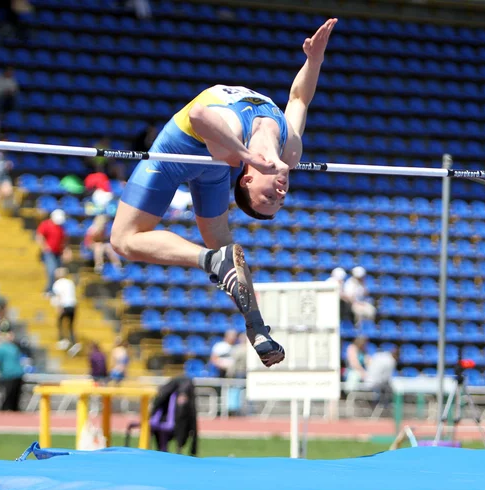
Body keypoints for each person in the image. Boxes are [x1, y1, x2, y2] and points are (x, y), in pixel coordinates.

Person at [110, 19, 337, 368]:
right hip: (189, 160)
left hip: (187, 159)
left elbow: (201, 115)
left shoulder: (234, 146)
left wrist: (246, 156)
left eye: (268, 200)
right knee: (134, 242)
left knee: (126, 240)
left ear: (246, 181)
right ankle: (247, 311)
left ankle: (255, 327)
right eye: (279, 200)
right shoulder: (290, 151)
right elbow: (298, 98)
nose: (280, 195)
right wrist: (314, 60)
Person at [36, 209, 72, 295]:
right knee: (52, 271)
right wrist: (45, 247)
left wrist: (66, 250)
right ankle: (49, 290)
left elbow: (65, 239)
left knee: (58, 272)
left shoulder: (62, 227)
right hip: (49, 252)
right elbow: (39, 236)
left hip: (58, 252)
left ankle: (55, 290)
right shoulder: (45, 224)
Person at [51, 267, 78, 352]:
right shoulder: (70, 282)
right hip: (73, 306)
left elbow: (59, 296)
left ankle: (62, 340)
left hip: (64, 305)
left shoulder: (57, 283)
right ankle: (73, 342)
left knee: (60, 323)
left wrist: (59, 307)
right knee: (70, 325)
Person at [364, 346, 399, 410]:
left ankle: (382, 404)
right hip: (375, 383)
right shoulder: (391, 361)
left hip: (367, 380)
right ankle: (385, 405)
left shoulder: (379, 355)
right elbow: (387, 378)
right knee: (391, 387)